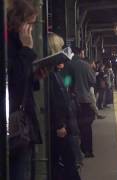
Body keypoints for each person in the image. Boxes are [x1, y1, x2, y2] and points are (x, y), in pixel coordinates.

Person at [7, 1, 45, 179]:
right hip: (14, 125)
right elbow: (14, 80)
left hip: (21, 123)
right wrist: (27, 49)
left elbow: (24, 81)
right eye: (29, 24)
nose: (31, 29)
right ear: (18, 22)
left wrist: (36, 76)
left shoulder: (17, 44)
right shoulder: (11, 45)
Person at [47, 32, 81, 180]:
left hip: (65, 123)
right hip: (62, 125)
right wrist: (60, 124)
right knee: (67, 163)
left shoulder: (56, 72)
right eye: (60, 47)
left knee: (67, 162)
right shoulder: (52, 74)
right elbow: (56, 98)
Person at [69, 47, 96, 157]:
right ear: (80, 53)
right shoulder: (85, 65)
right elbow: (93, 81)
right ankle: (87, 150)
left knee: (72, 127)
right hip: (84, 100)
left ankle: (75, 154)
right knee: (86, 127)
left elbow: (66, 81)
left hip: (71, 100)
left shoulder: (67, 64)